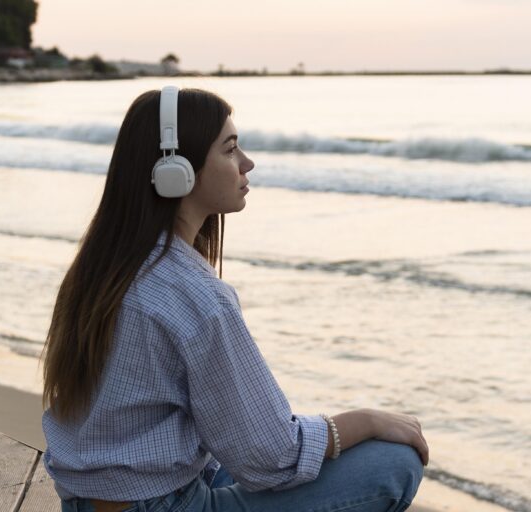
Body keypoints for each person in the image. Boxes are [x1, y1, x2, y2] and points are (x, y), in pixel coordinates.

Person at [40, 87, 428, 512]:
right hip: (161, 506)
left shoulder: (102, 265)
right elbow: (273, 456)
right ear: (177, 171)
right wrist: (365, 421)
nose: (247, 163)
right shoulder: (194, 294)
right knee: (393, 462)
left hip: (91, 501)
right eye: (230, 149)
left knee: (240, 448)